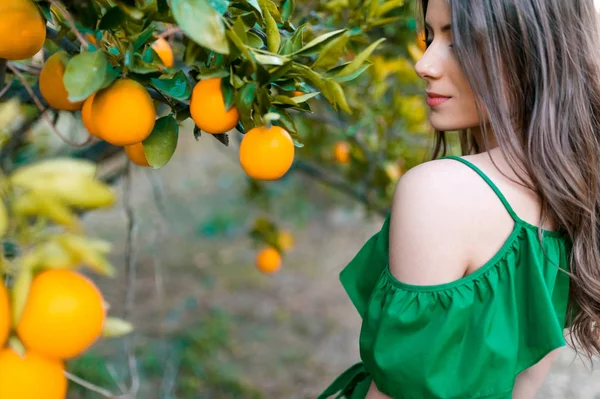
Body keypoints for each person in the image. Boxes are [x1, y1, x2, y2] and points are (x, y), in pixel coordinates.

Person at [317, 0, 600, 398]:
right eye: (430, 36)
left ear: (531, 47)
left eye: (459, 39)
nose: (424, 64)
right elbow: (524, 386)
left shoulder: (439, 192)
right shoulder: (571, 194)